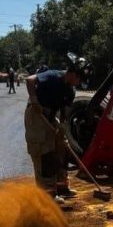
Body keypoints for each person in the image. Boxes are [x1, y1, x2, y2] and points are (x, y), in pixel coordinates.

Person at [24, 58, 86, 198]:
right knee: (45, 150)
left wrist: (62, 127)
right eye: (79, 78)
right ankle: (48, 193)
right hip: (37, 113)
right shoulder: (52, 76)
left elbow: (64, 109)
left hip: (52, 115)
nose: (80, 82)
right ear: (72, 74)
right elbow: (29, 80)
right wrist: (34, 100)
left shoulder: (70, 90)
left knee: (63, 147)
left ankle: (62, 187)